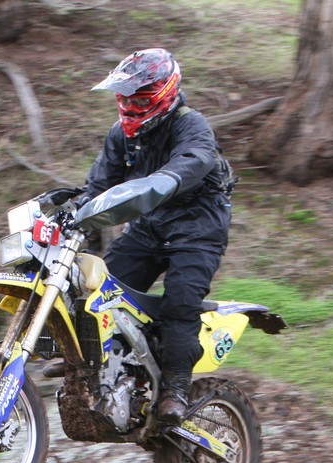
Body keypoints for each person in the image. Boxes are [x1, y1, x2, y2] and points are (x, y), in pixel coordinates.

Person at [79, 48, 235, 425]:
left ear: (165, 92)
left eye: (141, 99)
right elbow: (98, 185)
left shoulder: (189, 123)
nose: (131, 106)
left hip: (198, 229)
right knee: (99, 292)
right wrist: (72, 212)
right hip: (149, 227)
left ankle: (176, 388)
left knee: (180, 303)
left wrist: (166, 179)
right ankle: (95, 366)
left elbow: (196, 157)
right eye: (125, 98)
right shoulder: (121, 135)